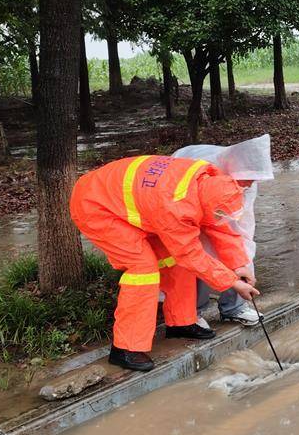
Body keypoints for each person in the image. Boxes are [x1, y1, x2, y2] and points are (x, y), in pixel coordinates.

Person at [70, 154, 260, 372]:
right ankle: (124, 348)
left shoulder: (210, 183)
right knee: (143, 269)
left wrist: (239, 265)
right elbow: (191, 255)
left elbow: (218, 226)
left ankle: (181, 323)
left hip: (138, 202)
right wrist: (233, 283)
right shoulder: (177, 206)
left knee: (174, 260)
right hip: (97, 206)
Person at [173, 135, 272, 328]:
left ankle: (234, 307)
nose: (251, 184)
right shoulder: (202, 168)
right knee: (198, 253)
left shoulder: (247, 180)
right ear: (234, 172)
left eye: (254, 179)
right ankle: (193, 311)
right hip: (186, 204)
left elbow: (240, 229)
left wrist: (242, 266)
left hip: (212, 204)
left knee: (239, 250)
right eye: (248, 179)